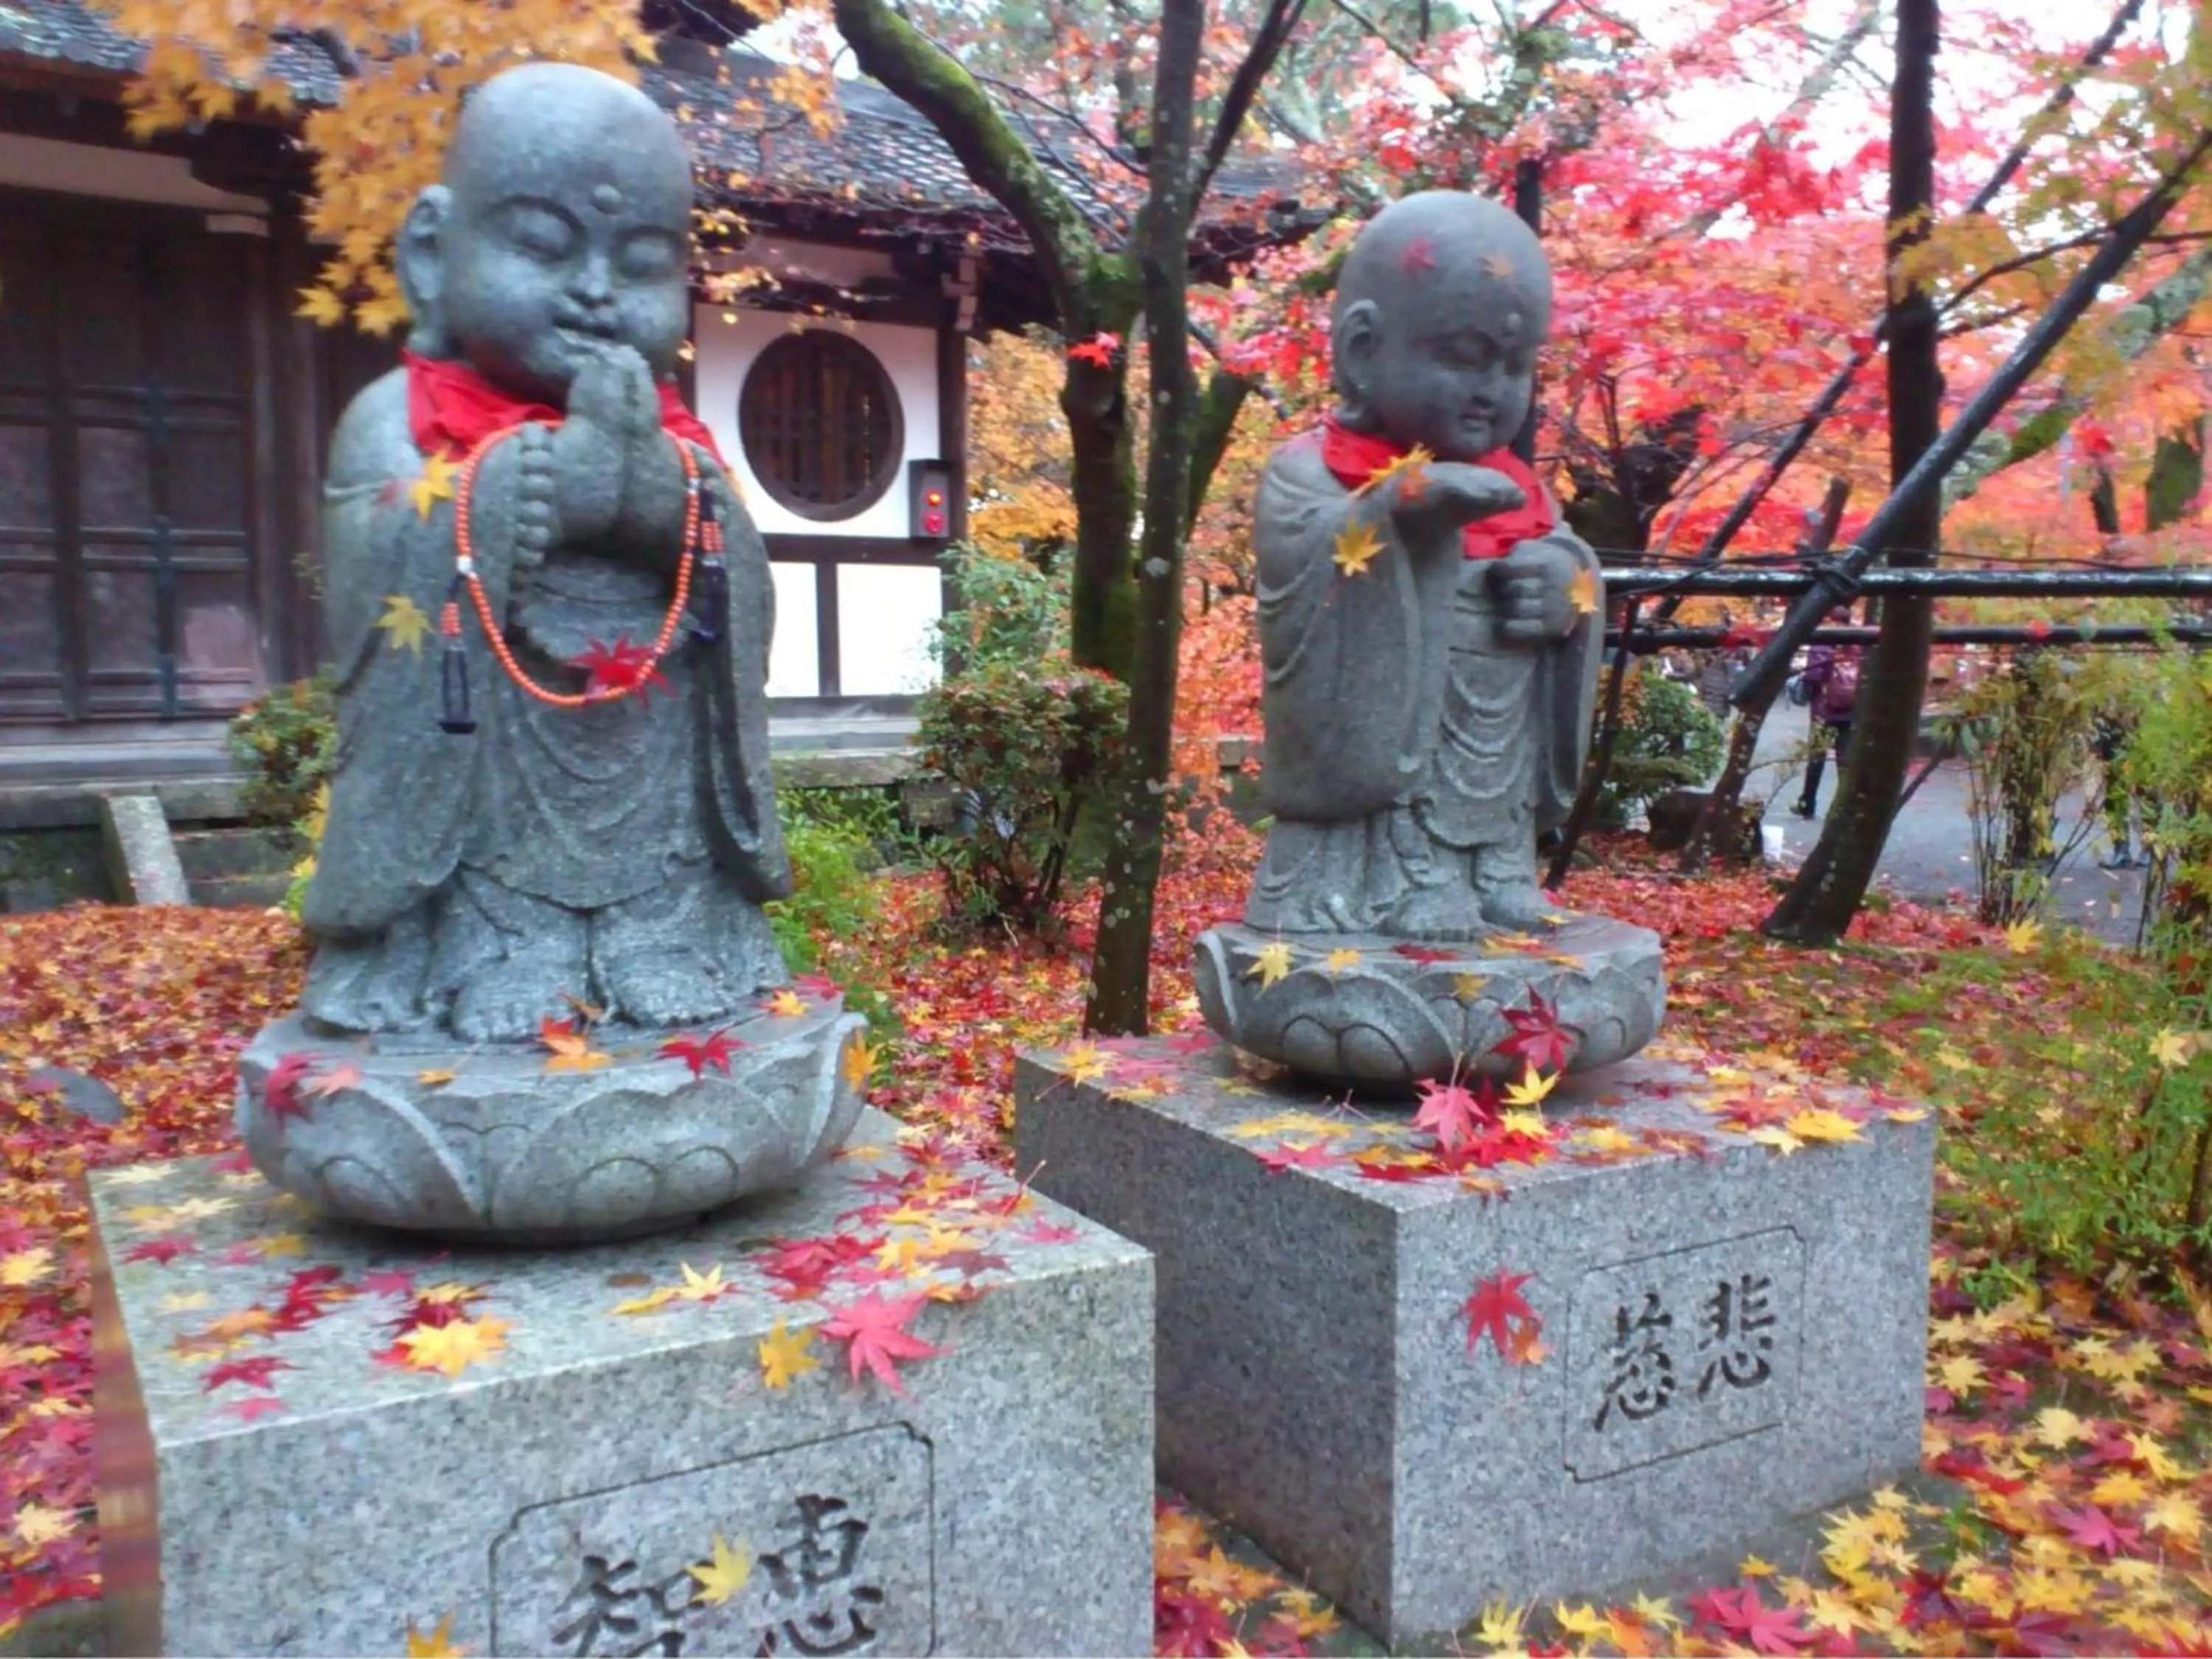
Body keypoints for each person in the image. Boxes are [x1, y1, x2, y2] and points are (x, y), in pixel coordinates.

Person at [299, 65, 790, 1040]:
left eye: (644, 262)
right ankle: (496, 951)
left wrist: (668, 506)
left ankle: (661, 936)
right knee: (484, 856)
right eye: (540, 245)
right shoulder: (399, 422)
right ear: (434, 257)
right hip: (474, 792)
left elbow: (746, 602)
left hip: (651, 790)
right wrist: (495, 503)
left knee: (664, 825)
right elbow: (366, 582)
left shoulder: (679, 443)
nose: (598, 292)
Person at [1241, 191, 1603, 936]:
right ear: (1362, 349)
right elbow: (1307, 565)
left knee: (1495, 779)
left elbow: (1570, 558)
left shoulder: (1520, 487)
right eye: (1465, 359)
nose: (1492, 391)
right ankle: (1405, 885)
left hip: (1497, 729)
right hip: (1376, 776)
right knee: (1407, 812)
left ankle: (1500, 870)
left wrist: (1564, 585)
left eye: (1514, 365)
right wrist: (1400, 510)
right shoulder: (1312, 471)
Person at [1792, 641, 1861, 818]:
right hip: (1849, 712)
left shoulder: (1821, 646)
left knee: (1816, 759)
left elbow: (1812, 677)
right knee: (1845, 760)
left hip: (1823, 713)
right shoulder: (1858, 644)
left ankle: (1808, 803)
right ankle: (1846, 806)